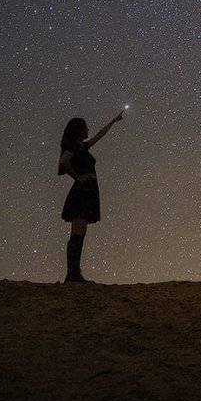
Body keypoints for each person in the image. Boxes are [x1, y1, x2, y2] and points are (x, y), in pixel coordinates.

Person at [57, 109, 123, 282]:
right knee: (77, 232)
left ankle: (74, 273)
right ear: (79, 130)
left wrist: (113, 121)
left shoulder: (81, 146)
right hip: (82, 190)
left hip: (87, 190)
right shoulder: (72, 147)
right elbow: (63, 163)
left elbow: (99, 135)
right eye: (85, 128)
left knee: (80, 232)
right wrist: (78, 177)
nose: (88, 131)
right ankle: (72, 275)